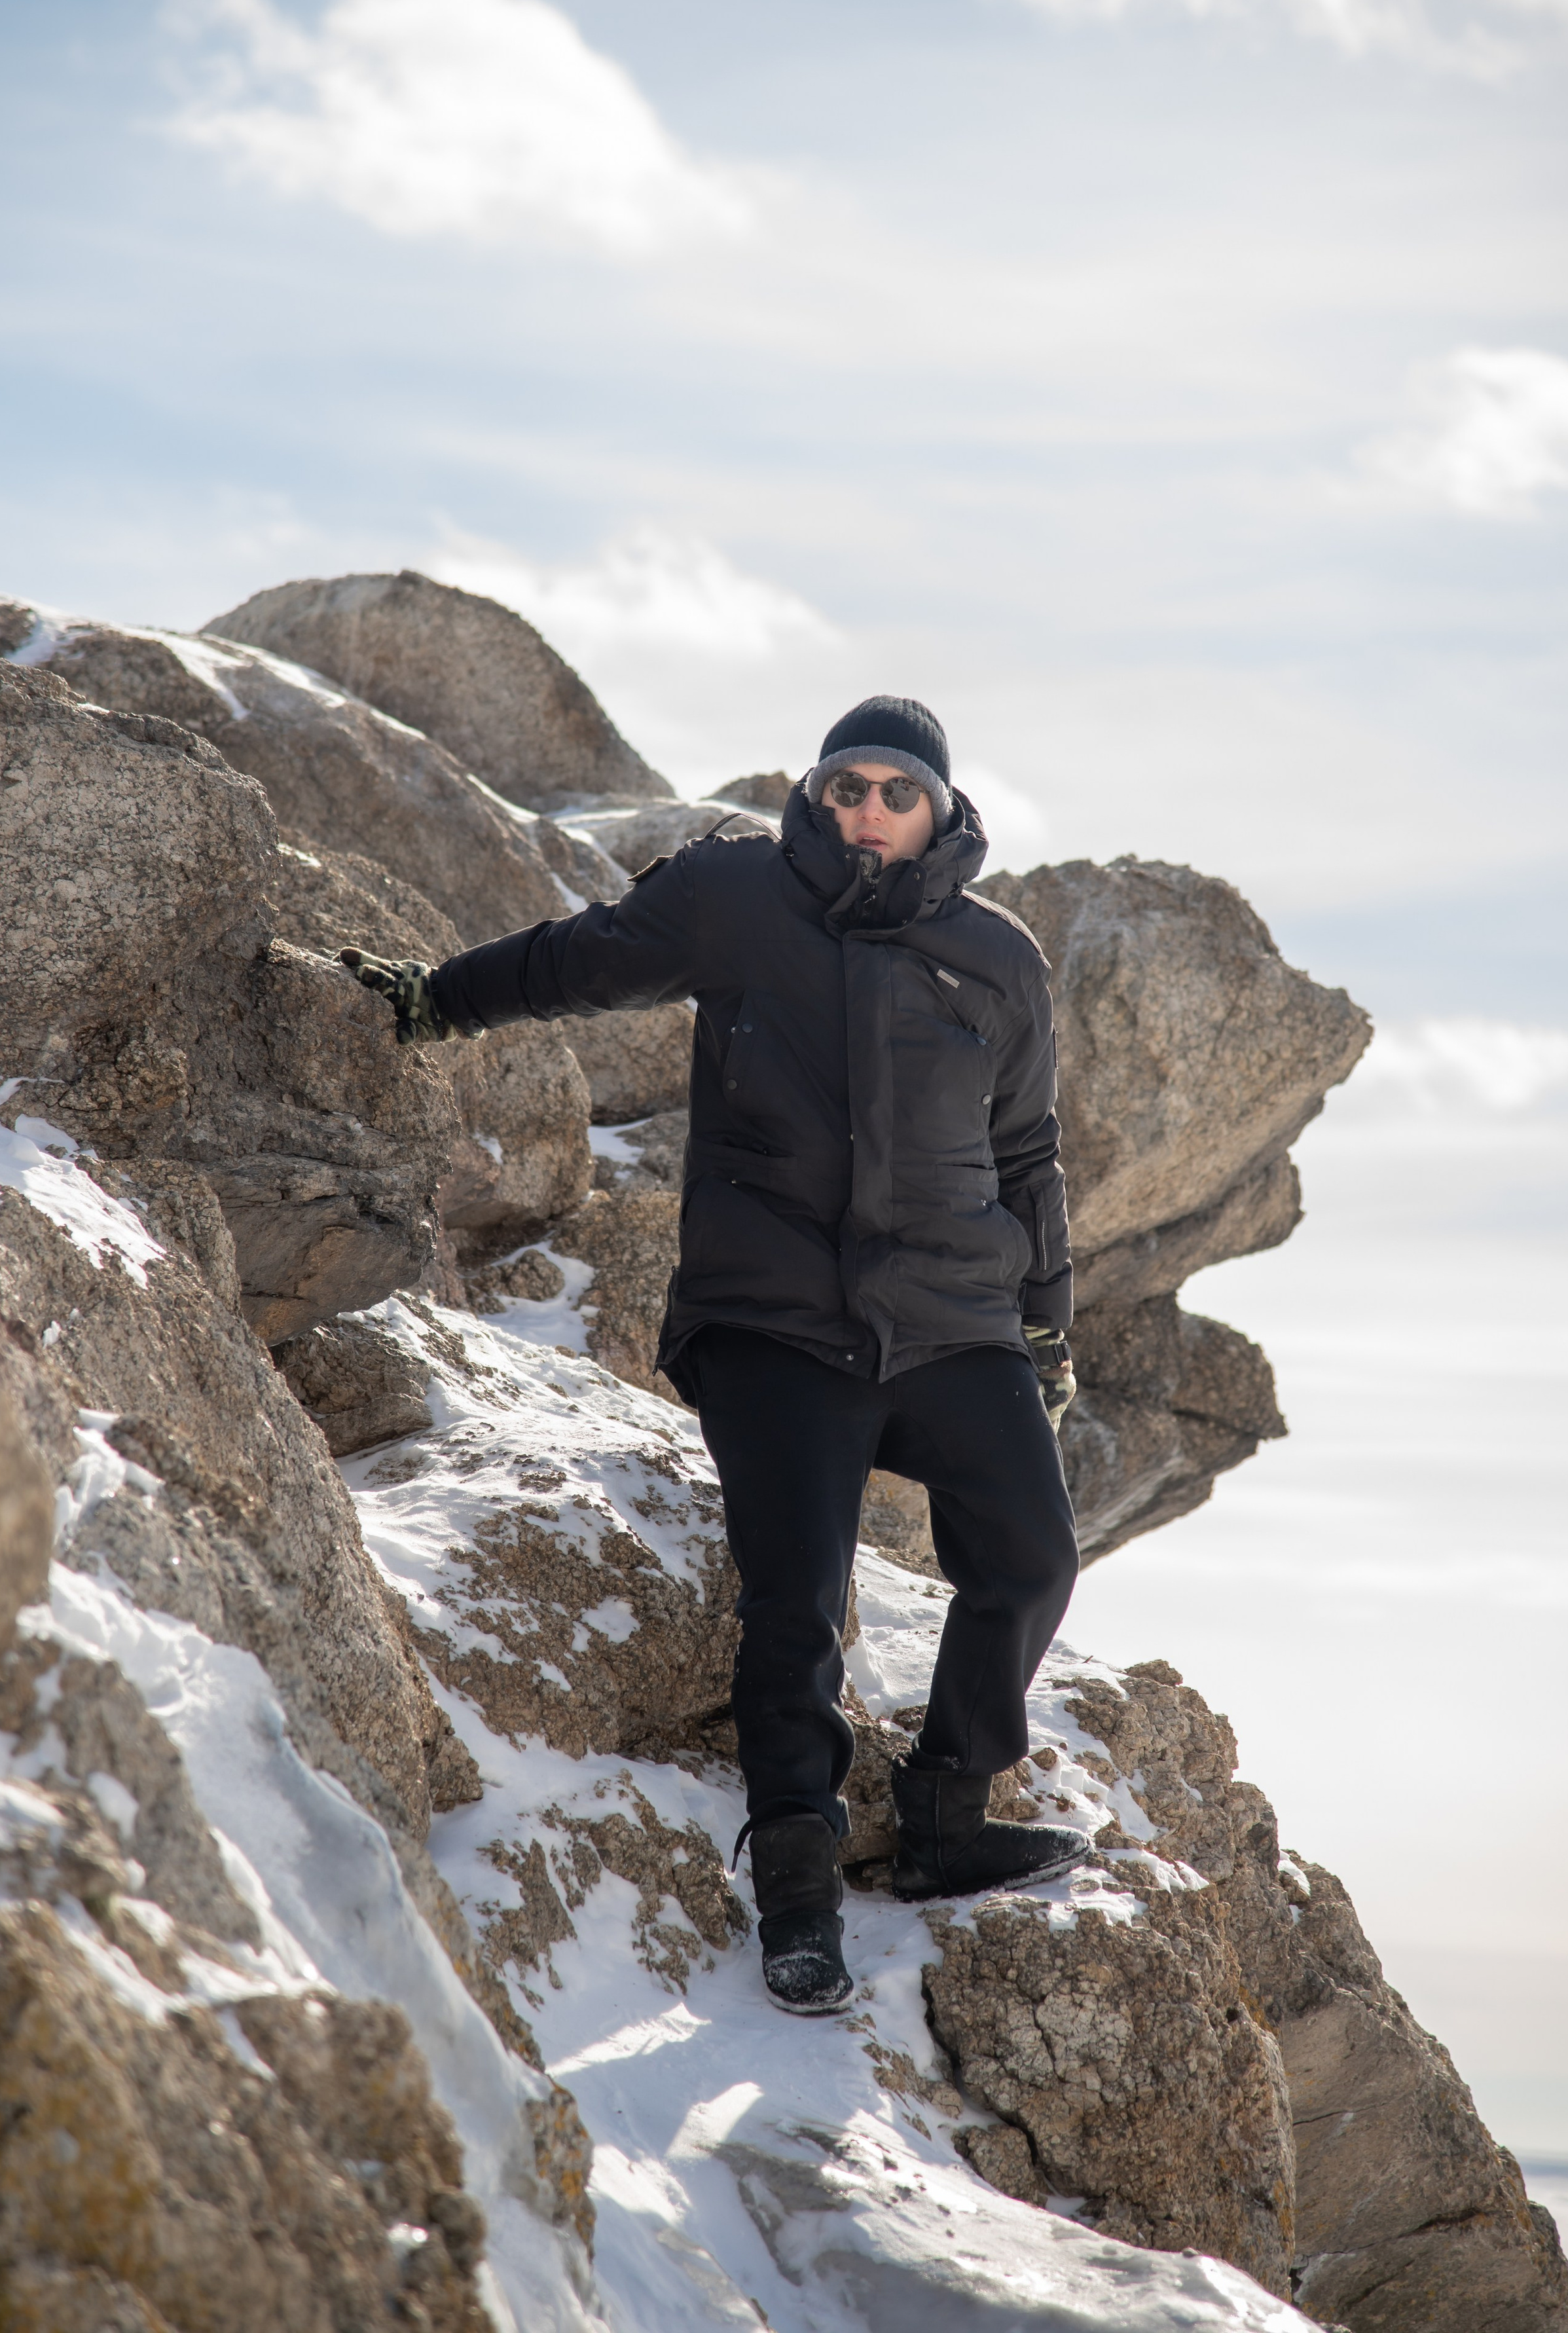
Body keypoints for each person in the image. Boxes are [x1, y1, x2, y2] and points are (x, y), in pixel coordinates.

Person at [342, 695, 1089, 2017]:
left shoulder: (994, 958)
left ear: (937, 811)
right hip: (775, 1322)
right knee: (793, 1601)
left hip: (947, 1322)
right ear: (815, 792)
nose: (866, 808)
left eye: (892, 791)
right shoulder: (736, 892)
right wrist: (429, 1005)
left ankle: (945, 1814)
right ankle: (797, 1888)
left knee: (1029, 1552)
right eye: (845, 784)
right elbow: (580, 958)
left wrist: (1041, 1322)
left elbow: (1024, 1156)